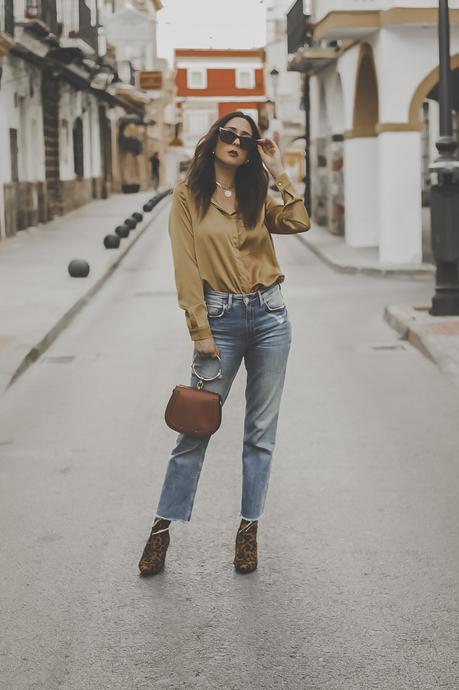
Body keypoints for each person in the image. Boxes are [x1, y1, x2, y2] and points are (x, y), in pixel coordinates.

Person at [138, 111, 310, 576]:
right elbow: (186, 266)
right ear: (214, 140)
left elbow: (298, 220)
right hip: (220, 323)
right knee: (194, 428)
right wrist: (201, 332)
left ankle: (248, 533)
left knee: (260, 435)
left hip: (272, 317)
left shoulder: (256, 193)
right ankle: (160, 531)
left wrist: (278, 171)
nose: (236, 142)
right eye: (229, 135)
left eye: (245, 139)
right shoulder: (187, 196)